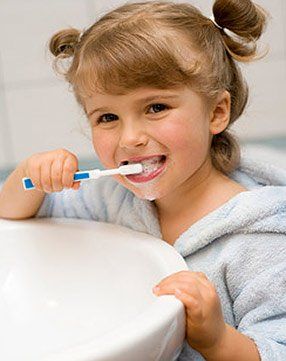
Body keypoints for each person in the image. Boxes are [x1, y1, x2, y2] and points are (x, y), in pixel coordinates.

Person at [0, 0, 285, 359]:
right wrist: (31, 175)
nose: (129, 138)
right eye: (107, 117)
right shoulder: (111, 199)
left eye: (156, 108)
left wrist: (216, 340)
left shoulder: (261, 242)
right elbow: (12, 220)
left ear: (216, 112)